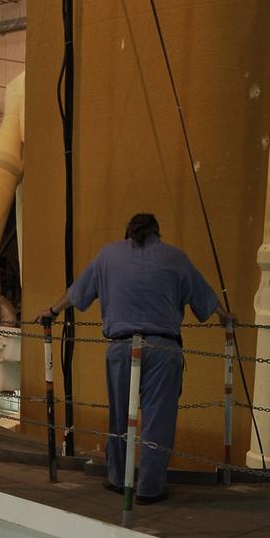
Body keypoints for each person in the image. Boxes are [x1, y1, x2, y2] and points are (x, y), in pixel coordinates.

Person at [35, 213, 235, 503]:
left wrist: (51, 312)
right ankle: (149, 489)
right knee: (158, 421)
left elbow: (76, 293)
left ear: (128, 232)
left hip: (121, 348)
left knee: (119, 416)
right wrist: (225, 317)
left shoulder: (108, 255)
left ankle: (118, 479)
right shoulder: (175, 257)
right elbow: (206, 297)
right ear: (158, 233)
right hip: (163, 350)